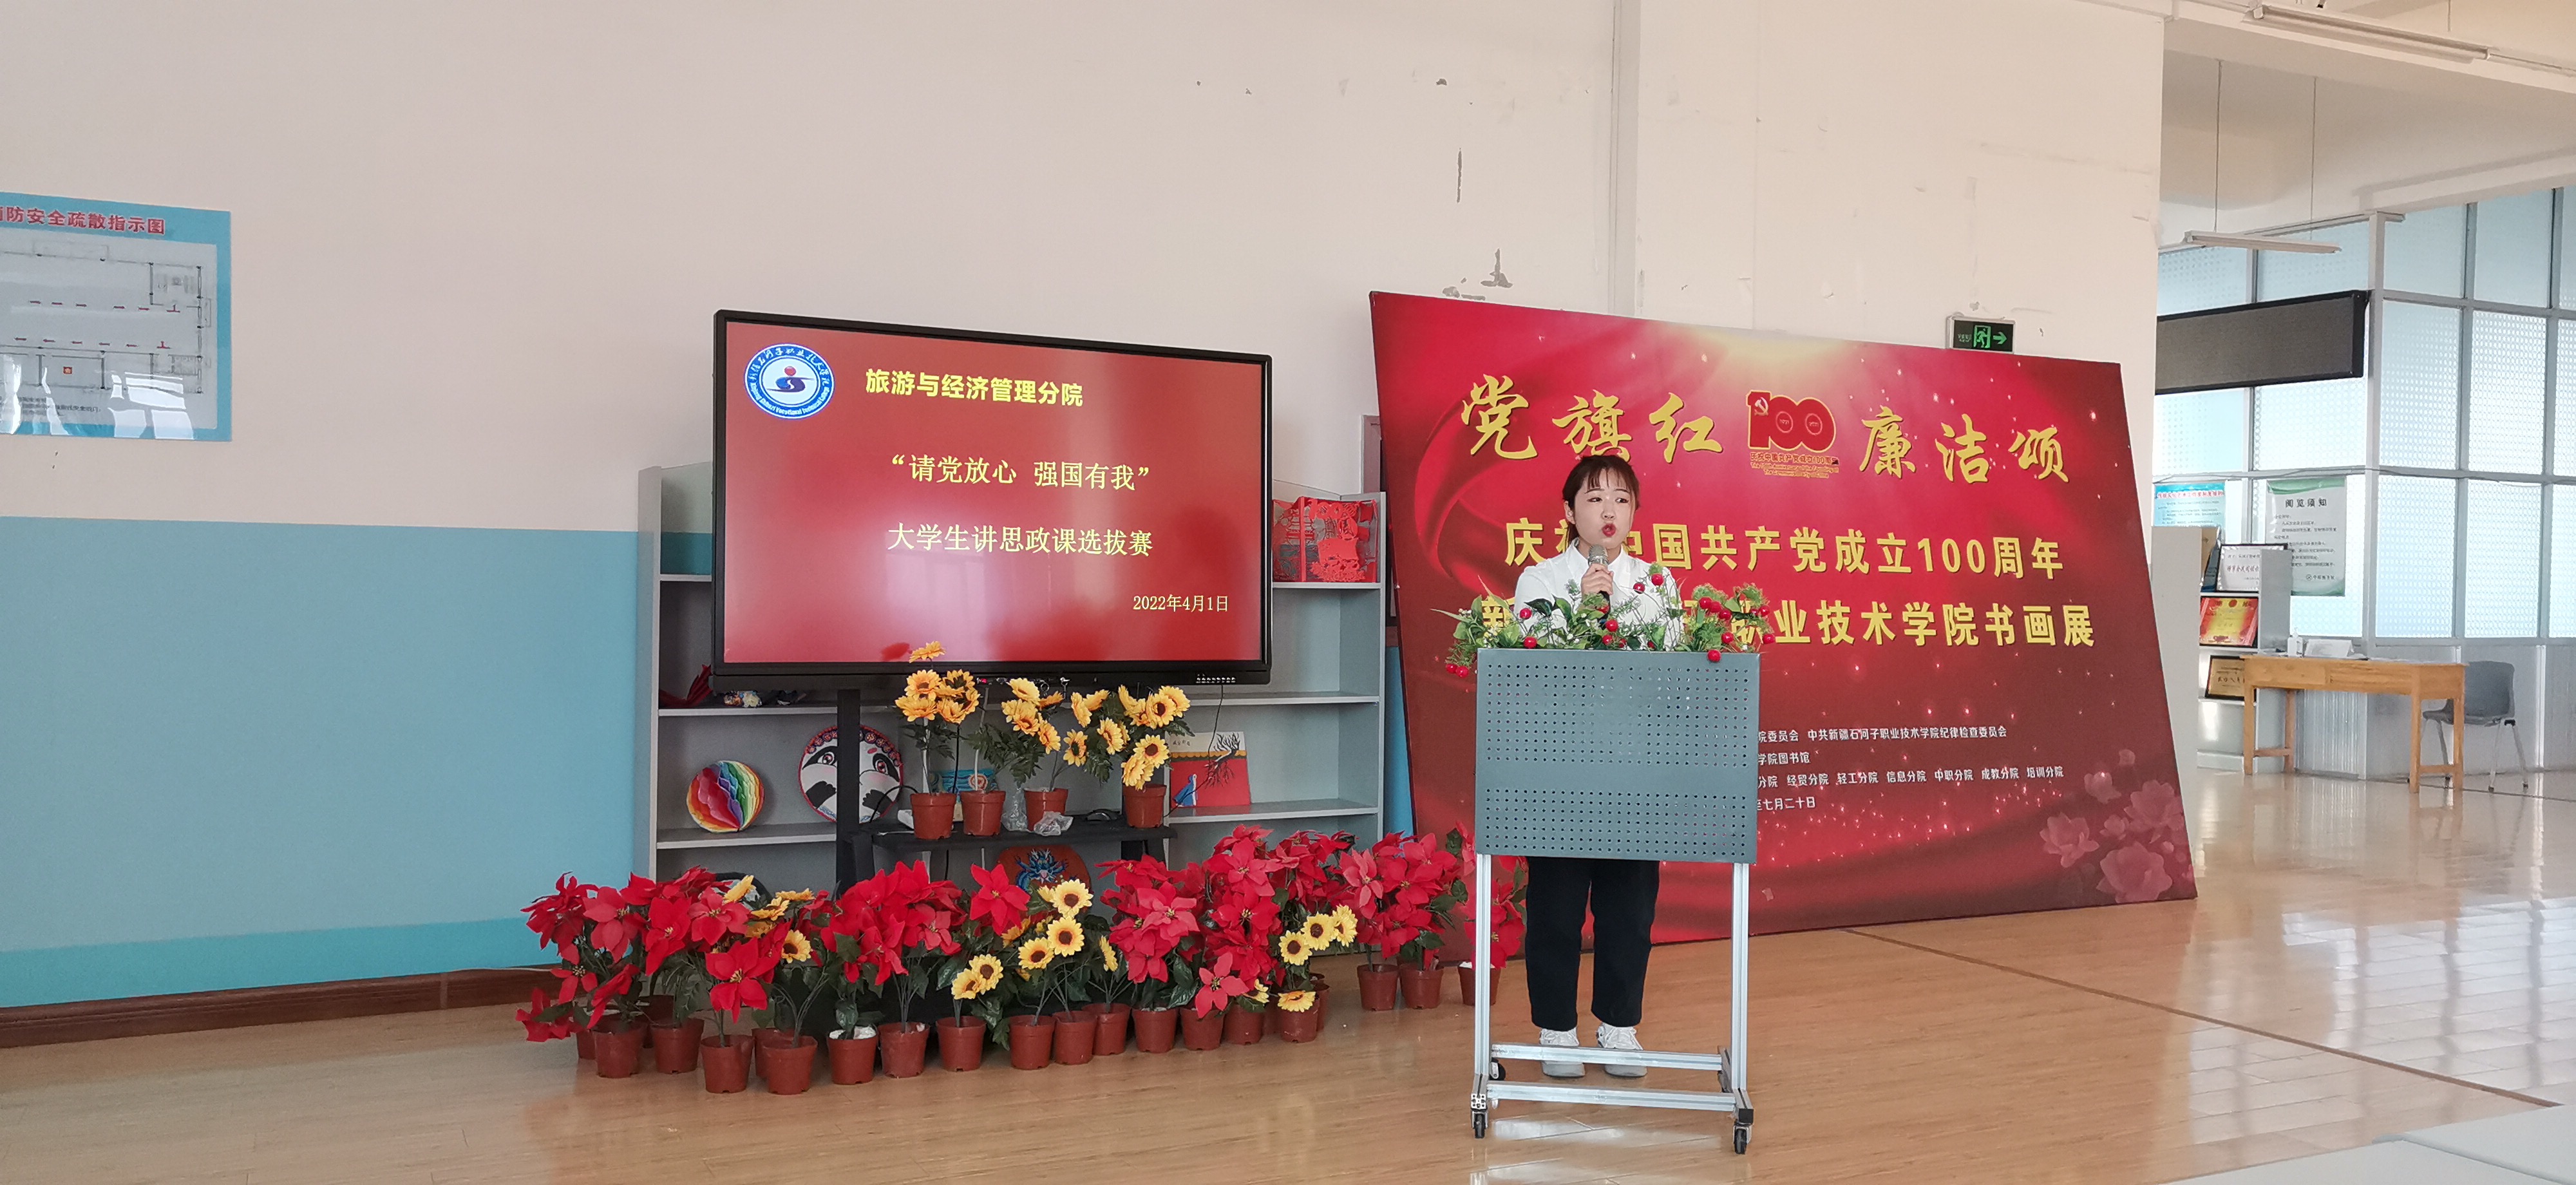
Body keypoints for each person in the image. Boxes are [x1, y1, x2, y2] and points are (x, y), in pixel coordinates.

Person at [1510, 453, 1677, 1079]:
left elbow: (1673, 670)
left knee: (1629, 908)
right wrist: (1583, 611)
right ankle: (1557, 1029)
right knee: (1556, 906)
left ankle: (1619, 1025)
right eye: (1595, 498)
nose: (1609, 511)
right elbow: (1533, 666)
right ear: (1569, 510)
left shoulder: (1657, 583)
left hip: (1634, 768)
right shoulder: (1540, 579)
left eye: (1622, 500)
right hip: (1561, 768)